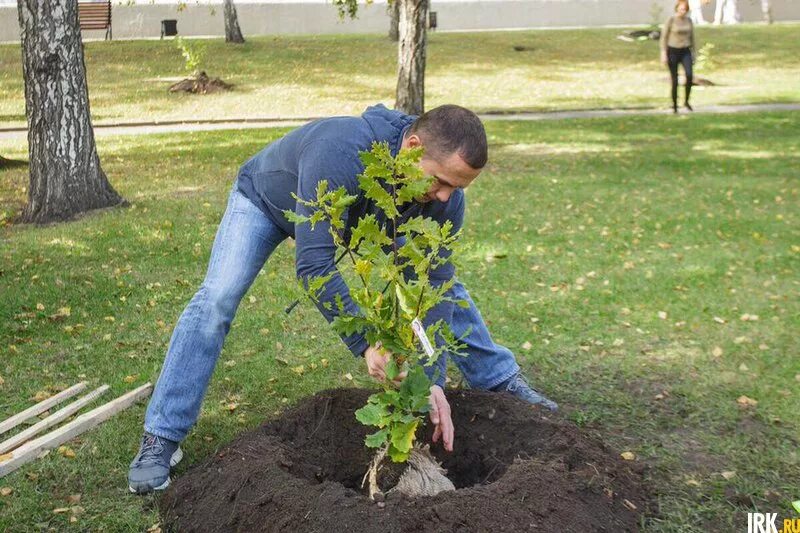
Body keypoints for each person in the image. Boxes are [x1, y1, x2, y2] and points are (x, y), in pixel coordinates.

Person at [127, 104, 558, 494]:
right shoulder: (340, 150)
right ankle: (161, 436)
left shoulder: (443, 200)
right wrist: (369, 344)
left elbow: (430, 290)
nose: (446, 197)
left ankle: (499, 379)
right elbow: (315, 265)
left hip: (362, 217)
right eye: (442, 181)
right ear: (411, 148)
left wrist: (431, 380)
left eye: (457, 188)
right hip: (267, 201)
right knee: (216, 299)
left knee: (440, 285)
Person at [660, 0, 697, 113]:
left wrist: (694, 52)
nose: (683, 11)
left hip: (685, 50)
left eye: (685, 9)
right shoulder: (671, 20)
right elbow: (664, 37)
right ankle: (675, 105)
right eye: (681, 9)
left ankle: (686, 101)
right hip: (673, 50)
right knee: (674, 79)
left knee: (689, 75)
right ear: (677, 9)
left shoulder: (689, 21)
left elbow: (692, 38)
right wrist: (663, 53)